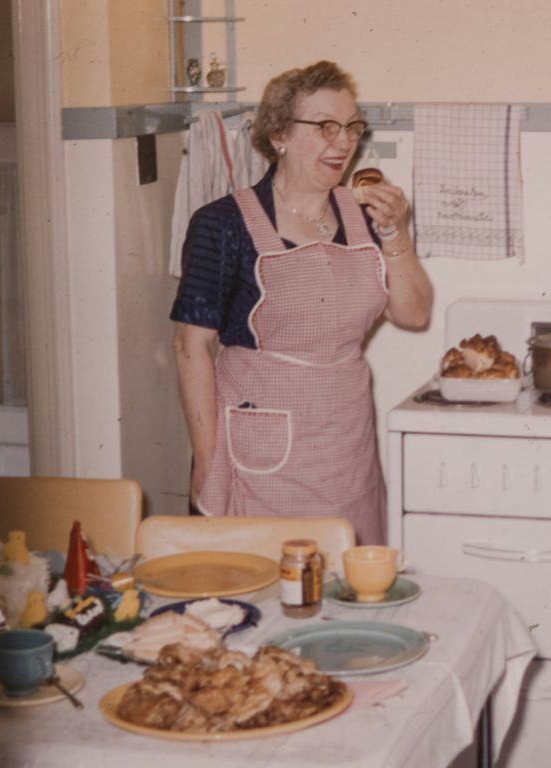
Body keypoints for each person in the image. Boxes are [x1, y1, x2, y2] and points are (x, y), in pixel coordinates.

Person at [170, 60, 433, 544]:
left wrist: (396, 234)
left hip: (345, 440)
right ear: (278, 136)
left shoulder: (366, 215)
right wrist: (207, 457)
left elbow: (413, 314)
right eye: (326, 127)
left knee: (345, 579)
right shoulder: (223, 223)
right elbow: (190, 346)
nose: (345, 142)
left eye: (352, 127)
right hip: (259, 451)